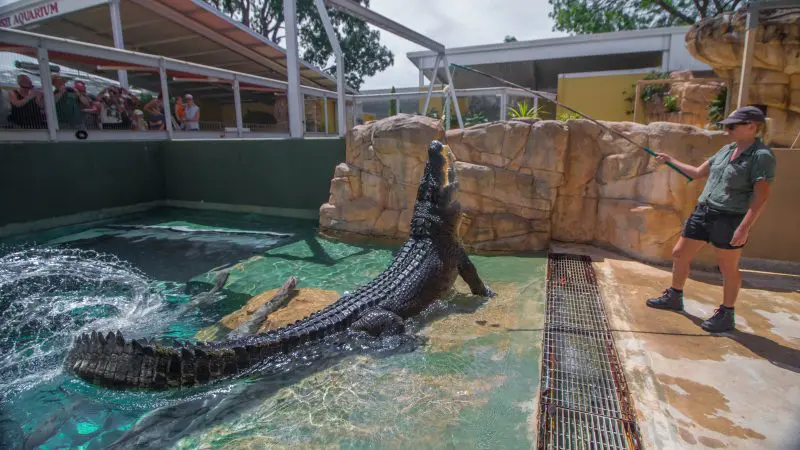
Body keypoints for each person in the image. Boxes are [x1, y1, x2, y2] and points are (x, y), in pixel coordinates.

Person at [645, 106, 776, 333]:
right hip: (704, 211)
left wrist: (744, 228)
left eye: (733, 126)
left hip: (730, 217)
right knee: (680, 253)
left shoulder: (761, 156)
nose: (728, 130)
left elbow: (762, 196)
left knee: (727, 267)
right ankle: (674, 297)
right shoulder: (726, 149)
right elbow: (697, 172)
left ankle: (727, 313)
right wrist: (670, 160)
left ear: (752, 127)